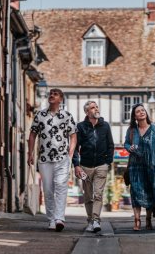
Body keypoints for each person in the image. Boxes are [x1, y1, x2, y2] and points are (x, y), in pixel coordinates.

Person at [28, 88, 77, 232]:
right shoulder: (40, 115)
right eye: (50, 94)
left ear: (61, 99)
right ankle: (51, 219)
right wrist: (30, 153)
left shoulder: (67, 116)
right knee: (48, 190)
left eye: (55, 94)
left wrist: (71, 153)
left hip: (62, 158)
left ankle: (59, 218)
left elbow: (73, 135)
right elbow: (32, 134)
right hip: (44, 158)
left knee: (61, 187)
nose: (51, 96)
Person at [124, 104, 155, 231]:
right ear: (134, 116)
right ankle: (137, 220)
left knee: (149, 193)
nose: (141, 112)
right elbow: (126, 143)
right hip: (135, 167)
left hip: (150, 166)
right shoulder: (131, 130)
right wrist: (129, 147)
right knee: (135, 193)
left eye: (142, 110)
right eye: (138, 111)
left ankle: (148, 218)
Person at [72, 100, 114, 233]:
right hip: (85, 166)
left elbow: (110, 145)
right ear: (87, 112)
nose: (96, 109)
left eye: (96, 107)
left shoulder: (105, 126)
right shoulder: (81, 126)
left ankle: (96, 220)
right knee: (88, 196)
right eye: (92, 108)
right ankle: (90, 220)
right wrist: (77, 165)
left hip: (101, 165)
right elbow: (75, 148)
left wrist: (108, 162)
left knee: (98, 194)